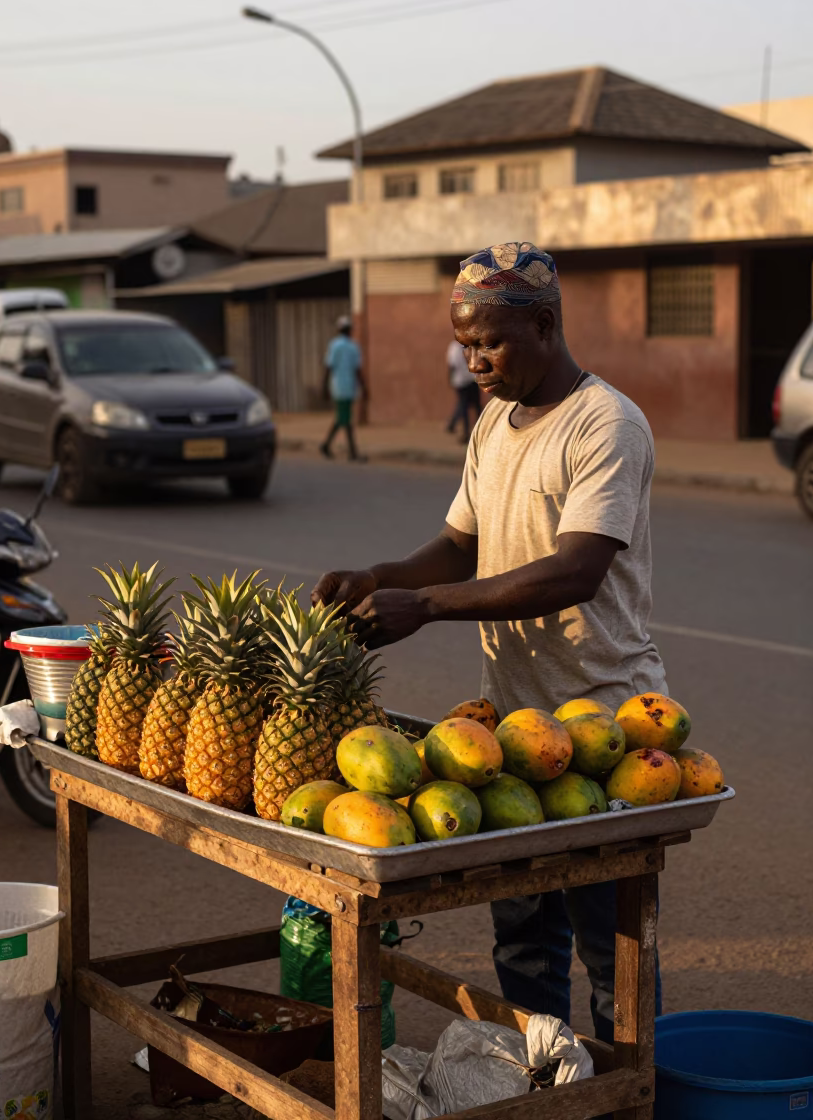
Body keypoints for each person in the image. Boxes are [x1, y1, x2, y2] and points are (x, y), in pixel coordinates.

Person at [312, 240, 666, 1042]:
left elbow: (574, 571)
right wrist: (376, 577)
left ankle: (627, 1096)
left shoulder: (607, 424)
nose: (474, 361)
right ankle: (543, 1084)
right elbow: (458, 544)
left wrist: (427, 606)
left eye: (490, 342)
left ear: (545, 325)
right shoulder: (495, 422)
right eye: (466, 344)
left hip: (606, 727)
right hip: (507, 736)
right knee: (526, 942)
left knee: (616, 952)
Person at [320, 315, 367, 462]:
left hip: (338, 387)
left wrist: (324, 387)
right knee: (345, 420)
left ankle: (326, 445)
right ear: (349, 330)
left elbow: (328, 368)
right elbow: (358, 370)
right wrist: (364, 387)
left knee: (342, 418)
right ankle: (352, 452)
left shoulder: (334, 346)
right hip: (348, 387)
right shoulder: (354, 347)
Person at [445, 338, 481, 443]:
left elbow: (451, 366)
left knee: (464, 406)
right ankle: (478, 430)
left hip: (461, 381)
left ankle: (464, 431)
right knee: (474, 405)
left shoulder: (454, 348)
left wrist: (450, 379)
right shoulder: (469, 346)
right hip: (470, 379)